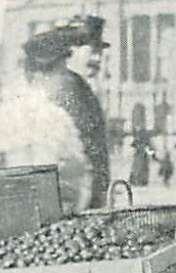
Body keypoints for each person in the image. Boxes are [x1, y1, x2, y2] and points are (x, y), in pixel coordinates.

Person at [20, 21, 111, 211]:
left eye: (99, 52)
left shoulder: (66, 85)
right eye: (91, 50)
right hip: (72, 191)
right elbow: (85, 143)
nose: (98, 58)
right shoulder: (68, 86)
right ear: (69, 53)